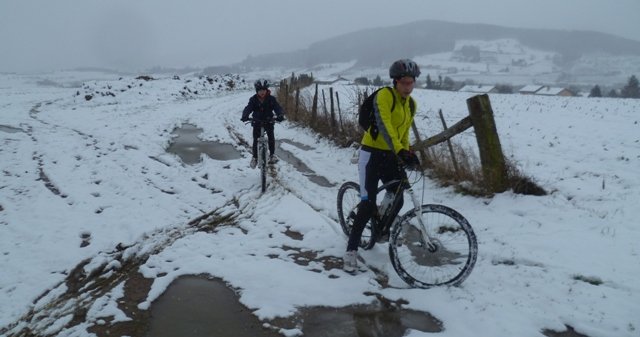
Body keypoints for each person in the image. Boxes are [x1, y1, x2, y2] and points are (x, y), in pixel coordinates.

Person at [343, 59, 422, 273]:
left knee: (398, 194)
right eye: (404, 82)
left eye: (411, 82)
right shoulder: (385, 96)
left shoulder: (411, 104)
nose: (408, 87)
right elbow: (385, 127)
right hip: (371, 154)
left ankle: (381, 228)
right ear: (395, 82)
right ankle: (351, 249)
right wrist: (399, 150)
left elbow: (403, 132)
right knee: (367, 204)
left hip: (391, 154)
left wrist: (407, 152)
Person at [241, 79, 285, 168]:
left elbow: (277, 107)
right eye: (260, 90)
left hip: (269, 121)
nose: (262, 92)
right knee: (255, 140)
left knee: (271, 137)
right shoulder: (253, 99)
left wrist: (280, 114)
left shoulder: (271, 99)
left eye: (264, 90)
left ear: (266, 90)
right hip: (257, 121)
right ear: (257, 91)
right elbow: (248, 108)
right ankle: (255, 158)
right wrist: (245, 115)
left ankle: (272, 155)